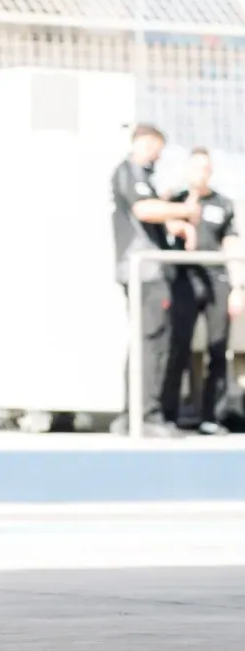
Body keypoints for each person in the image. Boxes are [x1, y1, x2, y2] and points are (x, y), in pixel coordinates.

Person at [110, 123, 200, 437]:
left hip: (147, 272)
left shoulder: (142, 177)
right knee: (152, 342)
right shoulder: (131, 172)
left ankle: (136, 414)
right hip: (145, 273)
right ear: (145, 143)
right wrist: (183, 209)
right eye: (157, 148)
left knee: (149, 341)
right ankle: (144, 415)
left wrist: (174, 223)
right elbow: (145, 209)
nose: (158, 156)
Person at [163, 147, 245, 434]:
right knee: (178, 347)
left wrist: (237, 288)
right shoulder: (175, 201)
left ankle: (214, 415)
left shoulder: (222, 203)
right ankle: (170, 413)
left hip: (216, 281)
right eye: (196, 167)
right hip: (184, 280)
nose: (201, 173)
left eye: (205, 168)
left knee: (217, 348)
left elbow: (232, 243)